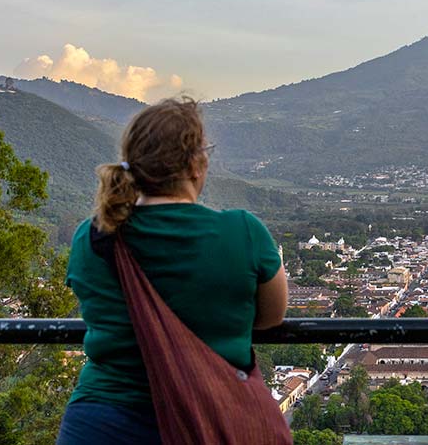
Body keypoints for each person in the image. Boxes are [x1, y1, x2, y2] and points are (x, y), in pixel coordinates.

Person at [57, 97, 289, 445]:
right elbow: (272, 316)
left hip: (101, 422)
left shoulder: (92, 236)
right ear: (196, 163)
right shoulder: (242, 231)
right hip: (210, 419)